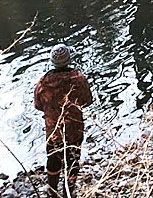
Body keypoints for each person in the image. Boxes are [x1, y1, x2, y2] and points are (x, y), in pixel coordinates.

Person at [34, 44, 93, 197]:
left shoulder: (43, 83)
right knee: (72, 161)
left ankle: (52, 191)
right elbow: (87, 101)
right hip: (74, 130)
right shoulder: (78, 79)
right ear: (69, 60)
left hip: (54, 131)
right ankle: (68, 192)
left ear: (52, 61)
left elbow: (38, 105)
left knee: (53, 160)